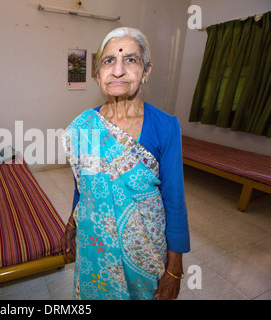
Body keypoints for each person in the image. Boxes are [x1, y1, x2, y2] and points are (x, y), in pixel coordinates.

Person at [61, 27, 190, 300]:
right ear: (97, 75)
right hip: (95, 242)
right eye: (108, 61)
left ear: (146, 71)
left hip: (146, 249)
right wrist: (72, 223)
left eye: (130, 60)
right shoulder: (84, 126)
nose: (118, 70)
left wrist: (175, 269)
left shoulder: (166, 126)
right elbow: (83, 186)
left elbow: (175, 201)